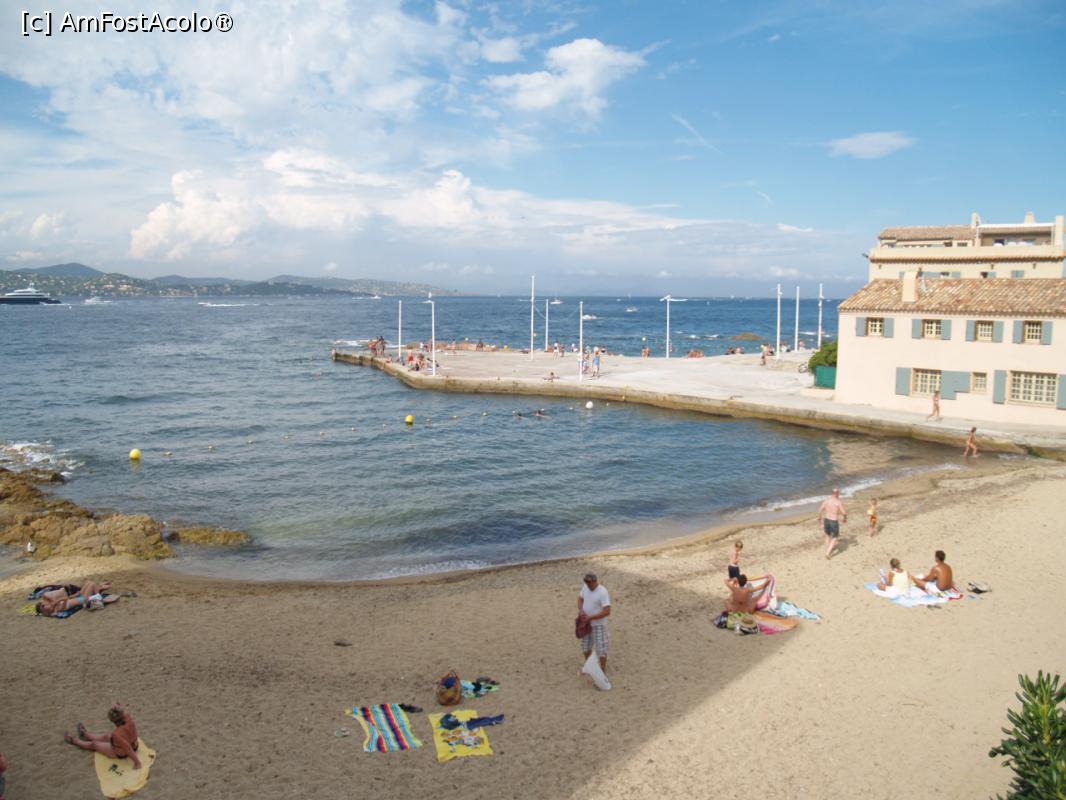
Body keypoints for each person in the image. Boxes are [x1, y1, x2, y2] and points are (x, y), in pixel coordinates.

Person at [64, 704, 142, 769]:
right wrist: (116, 706)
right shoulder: (127, 716)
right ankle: (86, 735)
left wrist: (137, 763)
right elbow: (120, 708)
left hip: (122, 753)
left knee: (94, 744)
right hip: (134, 745)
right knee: (105, 737)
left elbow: (127, 748)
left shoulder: (117, 734)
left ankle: (74, 740)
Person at [577, 573, 611, 673]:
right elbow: (580, 599)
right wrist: (581, 611)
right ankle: (589, 666)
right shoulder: (585, 587)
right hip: (587, 624)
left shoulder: (603, 592)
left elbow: (607, 611)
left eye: (590, 584)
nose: (589, 586)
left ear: (595, 581)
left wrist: (591, 617)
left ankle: (603, 669)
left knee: (601, 649)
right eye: (587, 583)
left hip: (599, 625)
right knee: (586, 647)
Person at [35, 581, 114, 616]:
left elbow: (66, 598)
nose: (46, 604)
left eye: (44, 604)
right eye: (44, 606)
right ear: (45, 611)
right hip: (84, 600)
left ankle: (99, 589)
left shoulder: (56, 606)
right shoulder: (58, 609)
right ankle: (98, 596)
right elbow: (65, 599)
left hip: (80, 597)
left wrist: (75, 595)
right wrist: (55, 602)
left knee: (88, 582)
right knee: (92, 584)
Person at [817, 488, 847, 560]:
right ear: (837, 494)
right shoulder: (838, 502)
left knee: (827, 535)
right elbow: (844, 513)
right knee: (835, 537)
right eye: (838, 493)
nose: (839, 495)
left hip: (826, 520)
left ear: (832, 493)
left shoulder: (827, 500)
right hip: (833, 521)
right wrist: (845, 519)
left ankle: (827, 549)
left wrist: (819, 518)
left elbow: (820, 510)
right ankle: (827, 553)